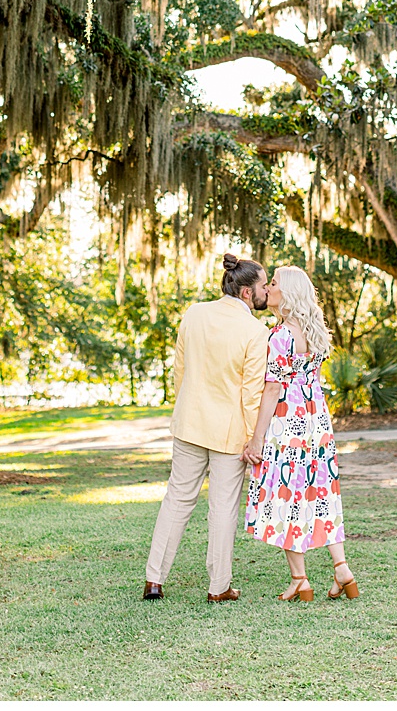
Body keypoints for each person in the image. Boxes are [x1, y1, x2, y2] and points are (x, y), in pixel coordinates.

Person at [143, 253, 270, 602]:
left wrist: (183, 409)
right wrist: (250, 439)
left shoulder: (194, 313)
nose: (266, 293)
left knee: (176, 501)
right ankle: (219, 588)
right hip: (229, 433)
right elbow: (250, 393)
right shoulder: (256, 332)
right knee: (222, 509)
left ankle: (154, 580)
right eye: (263, 286)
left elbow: (179, 370)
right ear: (247, 293)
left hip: (189, 423)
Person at [242, 265, 359, 600]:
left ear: (288, 293)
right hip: (316, 423)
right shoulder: (315, 332)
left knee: (287, 495)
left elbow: (272, 390)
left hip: (287, 424)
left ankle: (300, 579)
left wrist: (257, 437)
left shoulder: (280, 337)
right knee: (320, 493)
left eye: (274, 283)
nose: (269, 289)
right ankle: (341, 568)